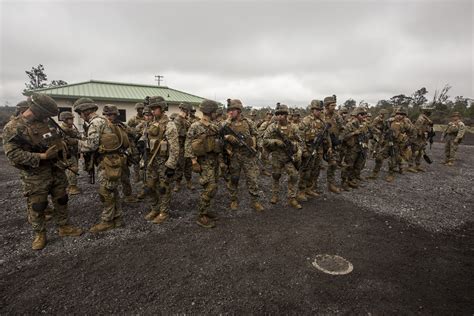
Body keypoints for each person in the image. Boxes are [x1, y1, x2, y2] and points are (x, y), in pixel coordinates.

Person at [3, 93, 83, 250]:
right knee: (38, 205)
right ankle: (40, 234)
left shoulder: (48, 123)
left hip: (57, 169)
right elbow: (12, 154)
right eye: (46, 113)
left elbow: (60, 139)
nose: (47, 117)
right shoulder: (13, 127)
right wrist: (42, 156)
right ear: (37, 110)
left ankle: (64, 226)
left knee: (61, 199)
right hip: (35, 175)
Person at [75, 98, 128, 232]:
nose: (80, 116)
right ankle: (118, 218)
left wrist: (76, 143)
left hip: (106, 162)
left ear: (86, 111)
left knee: (105, 191)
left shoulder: (95, 123)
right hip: (112, 160)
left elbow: (92, 145)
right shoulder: (104, 121)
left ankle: (107, 221)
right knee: (112, 190)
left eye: (80, 113)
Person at [220, 99, 264, 212]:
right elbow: (219, 132)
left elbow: (256, 134)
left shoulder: (248, 122)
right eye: (229, 110)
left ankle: (255, 201)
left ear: (239, 110)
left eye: (232, 110)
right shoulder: (227, 122)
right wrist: (227, 137)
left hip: (248, 156)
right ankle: (233, 199)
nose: (230, 112)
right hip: (234, 155)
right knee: (234, 179)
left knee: (252, 179)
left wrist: (255, 146)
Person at [141, 96, 179, 224]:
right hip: (151, 161)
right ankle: (155, 208)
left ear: (162, 108)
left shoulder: (169, 124)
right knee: (149, 186)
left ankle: (164, 212)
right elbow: (144, 143)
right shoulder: (149, 124)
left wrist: (171, 164)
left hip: (163, 161)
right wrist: (143, 160)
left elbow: (174, 147)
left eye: (155, 108)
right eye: (151, 108)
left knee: (164, 187)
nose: (152, 111)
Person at [185, 100, 222, 228]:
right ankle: (201, 215)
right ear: (210, 112)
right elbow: (188, 144)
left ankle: (206, 210)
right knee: (210, 187)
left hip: (215, 160)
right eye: (214, 112)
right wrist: (193, 161)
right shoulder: (195, 126)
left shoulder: (214, 125)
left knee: (214, 187)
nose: (216, 114)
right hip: (204, 161)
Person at [263, 103, 304, 209]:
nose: (279, 116)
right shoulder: (272, 127)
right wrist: (275, 141)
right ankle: (275, 195)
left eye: (282, 114)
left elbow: (300, 141)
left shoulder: (293, 127)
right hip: (277, 156)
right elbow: (264, 141)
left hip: (289, 157)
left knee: (294, 176)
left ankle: (292, 198)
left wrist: (299, 151)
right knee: (276, 175)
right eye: (278, 114)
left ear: (286, 115)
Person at [297, 100, 331, 200]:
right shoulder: (306, 121)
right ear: (312, 110)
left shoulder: (322, 121)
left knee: (316, 170)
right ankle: (300, 191)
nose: (319, 112)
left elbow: (326, 135)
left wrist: (329, 147)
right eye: (317, 110)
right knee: (305, 171)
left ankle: (309, 188)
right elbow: (299, 137)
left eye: (321, 110)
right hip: (308, 149)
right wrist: (304, 151)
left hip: (319, 150)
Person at [340, 107, 368, 190]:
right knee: (348, 165)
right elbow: (343, 137)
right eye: (361, 114)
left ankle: (351, 180)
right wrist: (354, 133)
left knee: (357, 165)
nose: (363, 116)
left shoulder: (363, 124)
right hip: (351, 148)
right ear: (357, 115)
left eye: (364, 115)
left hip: (360, 147)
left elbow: (366, 135)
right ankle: (344, 182)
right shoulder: (350, 124)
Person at [59, 111, 82, 195]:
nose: (72, 120)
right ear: (64, 120)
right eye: (70, 119)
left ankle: (70, 186)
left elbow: (78, 136)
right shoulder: (62, 129)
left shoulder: (72, 127)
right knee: (73, 169)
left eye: (72, 118)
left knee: (74, 168)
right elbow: (67, 141)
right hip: (68, 153)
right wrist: (78, 141)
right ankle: (72, 187)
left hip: (74, 151)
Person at [173, 103, 194, 192]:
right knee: (179, 165)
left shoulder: (187, 120)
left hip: (188, 146)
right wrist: (190, 133)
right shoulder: (177, 119)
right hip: (181, 146)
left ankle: (189, 181)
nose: (189, 112)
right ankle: (178, 183)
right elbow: (179, 132)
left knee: (188, 165)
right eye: (188, 111)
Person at [407, 107, 434, 172]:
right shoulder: (421, 119)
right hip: (418, 138)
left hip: (422, 138)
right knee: (415, 152)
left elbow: (427, 128)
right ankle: (410, 166)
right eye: (429, 112)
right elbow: (416, 129)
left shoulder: (426, 119)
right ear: (426, 112)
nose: (430, 113)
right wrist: (414, 139)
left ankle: (417, 165)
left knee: (420, 152)